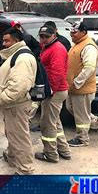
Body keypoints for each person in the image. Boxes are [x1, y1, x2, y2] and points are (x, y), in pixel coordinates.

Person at [0, 27, 37, 175]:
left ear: (16, 41)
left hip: (16, 105)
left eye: (7, 41)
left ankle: (26, 170)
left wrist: (4, 98)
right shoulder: (17, 55)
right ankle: (12, 156)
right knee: (13, 133)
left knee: (20, 138)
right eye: (3, 40)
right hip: (13, 104)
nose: (4, 44)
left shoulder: (23, 59)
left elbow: (19, 86)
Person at [66, 21, 98, 147]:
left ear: (83, 32)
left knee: (81, 115)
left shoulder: (88, 46)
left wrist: (77, 82)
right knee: (72, 109)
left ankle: (82, 138)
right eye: (71, 32)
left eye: (75, 32)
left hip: (82, 88)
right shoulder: (77, 44)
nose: (72, 34)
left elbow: (89, 68)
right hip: (73, 87)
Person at [35, 25, 72, 163]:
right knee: (55, 122)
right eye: (41, 36)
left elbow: (57, 73)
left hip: (54, 91)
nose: (43, 39)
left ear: (54, 35)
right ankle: (64, 150)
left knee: (47, 124)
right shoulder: (49, 47)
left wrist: (50, 91)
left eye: (46, 36)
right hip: (54, 90)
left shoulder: (57, 49)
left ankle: (50, 154)